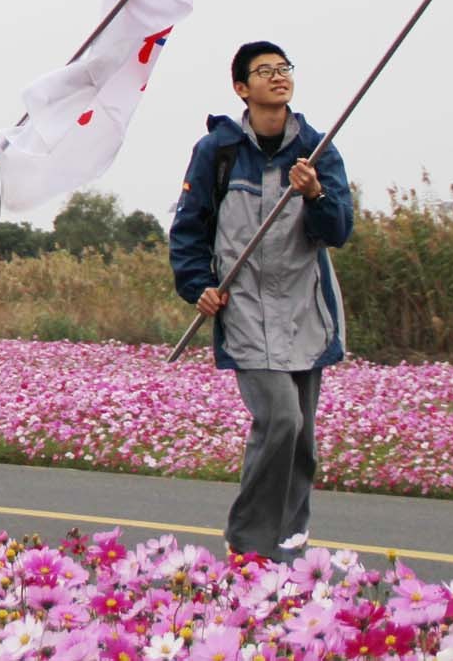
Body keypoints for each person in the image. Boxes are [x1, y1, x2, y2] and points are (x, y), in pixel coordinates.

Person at [169, 41, 353, 562]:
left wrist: (315, 193)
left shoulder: (318, 149)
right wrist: (196, 285)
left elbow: (338, 231)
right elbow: (188, 228)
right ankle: (248, 542)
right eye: (265, 71)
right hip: (245, 310)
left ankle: (289, 544)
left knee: (302, 441)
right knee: (280, 420)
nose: (278, 78)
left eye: (284, 69)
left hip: (304, 313)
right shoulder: (219, 153)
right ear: (241, 88)